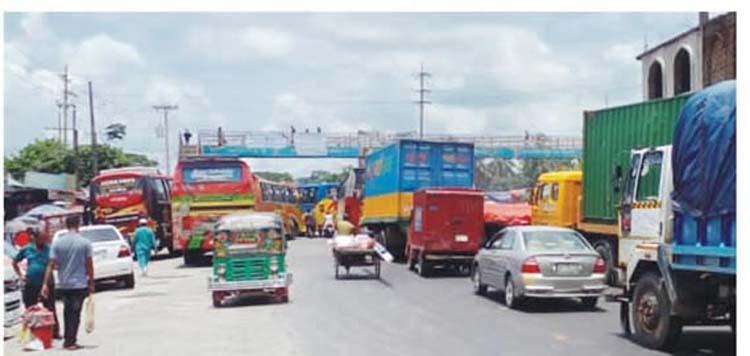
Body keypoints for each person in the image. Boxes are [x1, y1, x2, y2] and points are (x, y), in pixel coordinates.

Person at [41, 216, 94, 351]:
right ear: (78, 224)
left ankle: (68, 339)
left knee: (66, 311)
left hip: (63, 284)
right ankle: (70, 341)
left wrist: (45, 284)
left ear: (65, 225)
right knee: (75, 313)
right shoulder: (85, 242)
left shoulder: (57, 243)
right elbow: (89, 265)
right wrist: (91, 282)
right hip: (79, 284)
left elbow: (51, 264)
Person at [13, 228, 61, 339]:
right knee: (30, 308)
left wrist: (45, 284)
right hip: (31, 283)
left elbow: (51, 265)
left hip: (47, 283)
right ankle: (31, 331)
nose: (44, 241)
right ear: (35, 238)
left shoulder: (49, 249)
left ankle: (54, 332)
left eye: (45, 239)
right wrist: (20, 275)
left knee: (50, 307)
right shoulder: (27, 249)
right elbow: (15, 262)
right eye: (42, 239)